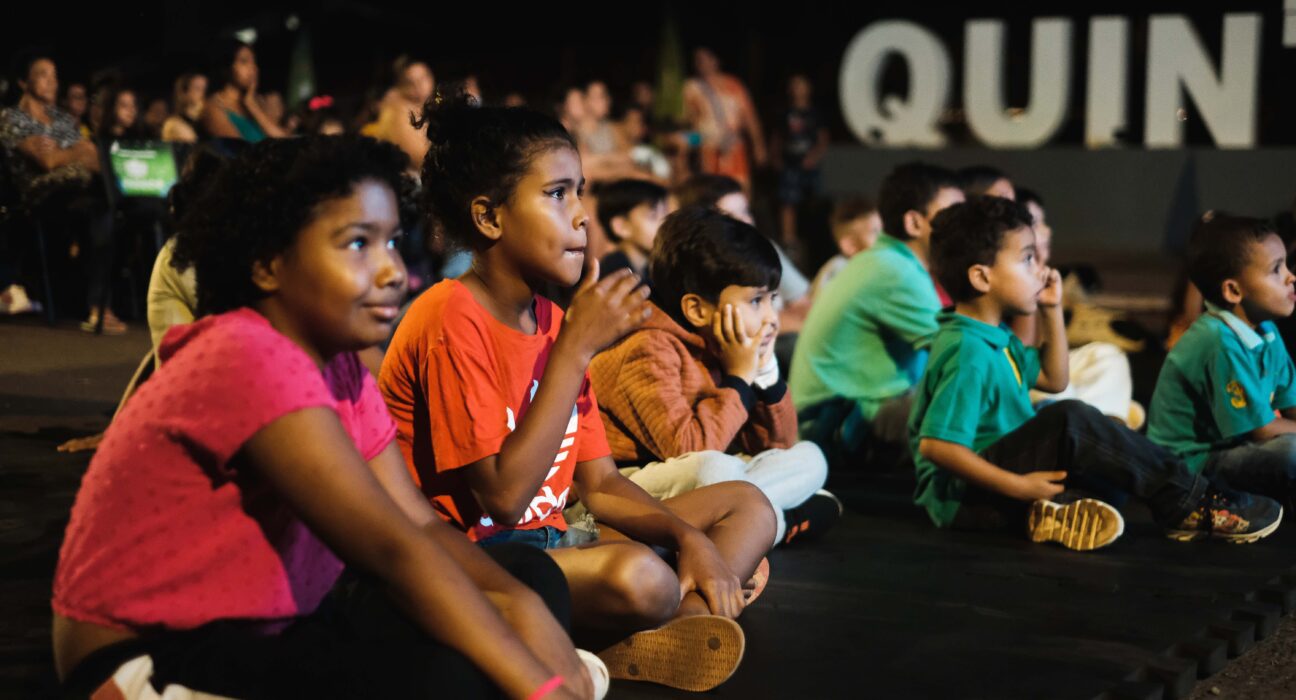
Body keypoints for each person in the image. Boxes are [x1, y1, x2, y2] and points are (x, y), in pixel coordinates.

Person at [52, 135, 597, 700]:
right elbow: (390, 549)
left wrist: (521, 606)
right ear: (267, 264)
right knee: (453, 674)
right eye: (357, 244)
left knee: (527, 579)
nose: (392, 271)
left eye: (391, 242)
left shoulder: (341, 367)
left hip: (267, 627)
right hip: (149, 657)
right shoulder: (245, 355)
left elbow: (420, 524)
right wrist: (539, 684)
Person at [380, 96, 774, 692]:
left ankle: (675, 626)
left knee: (750, 508)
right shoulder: (449, 316)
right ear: (489, 217)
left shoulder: (552, 318)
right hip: (479, 559)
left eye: (581, 191)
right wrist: (576, 349)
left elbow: (602, 484)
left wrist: (690, 538)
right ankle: (669, 612)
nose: (582, 214)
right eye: (559, 193)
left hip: (556, 537)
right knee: (643, 578)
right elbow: (504, 501)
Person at [911, 195, 1281, 548]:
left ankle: (1055, 512)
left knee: (1111, 447)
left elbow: (1055, 380)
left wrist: (1052, 310)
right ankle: (1192, 502)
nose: (1041, 270)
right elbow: (938, 447)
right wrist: (1016, 487)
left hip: (996, 482)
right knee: (1070, 420)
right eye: (1027, 260)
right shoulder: (967, 352)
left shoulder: (992, 336)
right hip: (961, 498)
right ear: (981, 277)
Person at [589, 206, 836, 546]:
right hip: (625, 488)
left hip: (694, 482)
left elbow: (776, 446)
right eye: (756, 301)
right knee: (716, 471)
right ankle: (777, 522)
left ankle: (744, 523)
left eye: (772, 299)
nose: (771, 318)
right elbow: (690, 450)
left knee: (810, 458)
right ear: (697, 309)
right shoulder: (645, 348)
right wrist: (738, 378)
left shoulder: (719, 342)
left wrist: (764, 374)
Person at [791, 163, 963, 470]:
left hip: (849, 413)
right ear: (914, 222)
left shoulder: (888, 262)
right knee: (975, 412)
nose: (964, 225)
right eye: (953, 213)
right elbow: (961, 356)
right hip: (836, 424)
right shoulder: (893, 271)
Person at [1149, 212, 1296, 506]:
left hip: (1234, 448)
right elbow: (1263, 429)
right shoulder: (1219, 341)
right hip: (1188, 464)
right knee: (1289, 454)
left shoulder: (1266, 330)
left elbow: (1290, 403)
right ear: (1233, 290)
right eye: (1276, 269)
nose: (1291, 276)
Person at [0, 52, 119, 332]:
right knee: (92, 167)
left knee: (104, 210)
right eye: (43, 74)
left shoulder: (62, 119)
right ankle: (96, 306)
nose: (52, 82)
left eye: (54, 76)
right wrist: (75, 152)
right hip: (36, 193)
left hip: (77, 192)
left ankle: (97, 306)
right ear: (23, 81)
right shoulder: (11, 117)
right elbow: (46, 163)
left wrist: (66, 152)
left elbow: (76, 154)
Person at [1010, 187, 1141, 427]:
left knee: (1108, 356)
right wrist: (1030, 280)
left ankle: (1106, 430)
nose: (1047, 231)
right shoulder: (1011, 280)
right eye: (1037, 224)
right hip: (1026, 380)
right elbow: (1020, 358)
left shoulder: (1046, 276)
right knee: (1061, 391)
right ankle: (1101, 427)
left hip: (1048, 374)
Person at [682, 48, 766, 187]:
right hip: (708, 150)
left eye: (703, 59)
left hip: (734, 147)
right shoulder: (691, 88)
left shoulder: (734, 85)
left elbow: (749, 118)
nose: (700, 64)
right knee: (712, 194)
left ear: (715, 60)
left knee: (739, 191)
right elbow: (688, 124)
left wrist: (759, 146)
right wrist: (692, 143)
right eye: (697, 60)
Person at [771, 75, 829, 247]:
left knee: (813, 201)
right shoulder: (784, 114)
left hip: (809, 165)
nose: (798, 89)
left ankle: (813, 235)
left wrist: (814, 157)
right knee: (788, 200)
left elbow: (823, 139)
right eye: (794, 86)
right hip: (790, 163)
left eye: (801, 85)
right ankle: (789, 238)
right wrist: (774, 157)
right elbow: (777, 138)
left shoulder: (815, 114)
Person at [200, 41, 287, 143]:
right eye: (244, 62)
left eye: (254, 62)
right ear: (227, 68)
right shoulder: (213, 108)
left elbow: (284, 142)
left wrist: (251, 104)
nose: (253, 68)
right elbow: (239, 150)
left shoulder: (257, 104)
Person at [808, 194, 881, 300]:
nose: (883, 239)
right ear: (850, 245)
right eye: (875, 232)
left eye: (883, 232)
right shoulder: (838, 269)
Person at [595, 178, 668, 280]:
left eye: (665, 214)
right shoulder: (613, 273)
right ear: (621, 227)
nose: (664, 223)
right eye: (653, 216)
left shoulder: (655, 269)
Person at [372, 56, 435, 172]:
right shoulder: (397, 110)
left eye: (423, 78)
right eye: (410, 83)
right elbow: (421, 159)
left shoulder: (425, 106)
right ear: (399, 86)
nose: (419, 87)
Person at [161, 73, 206, 144]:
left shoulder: (206, 121)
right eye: (198, 88)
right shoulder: (173, 124)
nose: (203, 94)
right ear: (183, 93)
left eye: (205, 89)